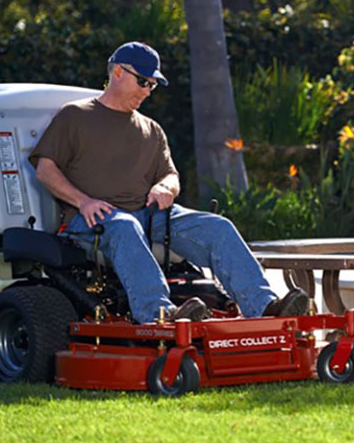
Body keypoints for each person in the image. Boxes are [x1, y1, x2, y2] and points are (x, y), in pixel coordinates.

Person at [29, 41, 309, 323]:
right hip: (92, 221)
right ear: (117, 72)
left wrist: (165, 187)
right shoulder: (75, 116)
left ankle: (264, 306)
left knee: (218, 227)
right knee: (125, 225)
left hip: (149, 217)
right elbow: (45, 169)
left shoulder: (151, 129)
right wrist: (84, 201)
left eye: (152, 84)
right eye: (142, 82)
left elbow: (170, 175)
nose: (148, 91)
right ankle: (158, 314)